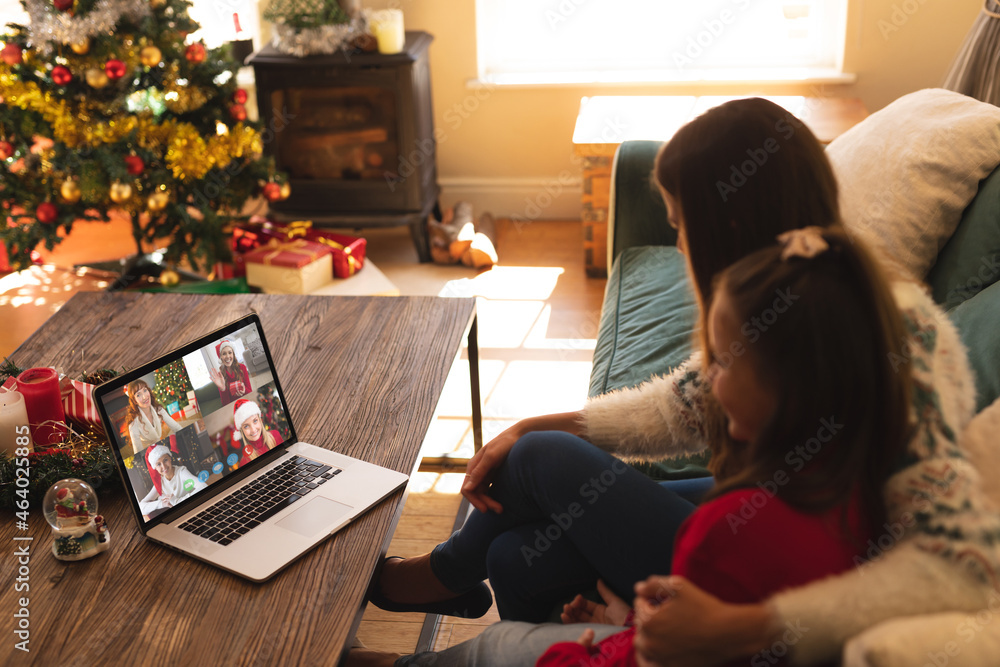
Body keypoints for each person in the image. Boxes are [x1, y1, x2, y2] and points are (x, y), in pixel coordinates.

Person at [362, 97, 1000, 666]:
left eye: (677, 222)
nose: (676, 239)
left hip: (794, 575)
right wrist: (531, 421)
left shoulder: (897, 338)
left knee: (538, 461)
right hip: (764, 512)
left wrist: (743, 626)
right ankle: (495, 592)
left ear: (727, 226)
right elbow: (682, 408)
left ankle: (444, 575)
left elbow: (947, 555)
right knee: (515, 555)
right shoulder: (791, 296)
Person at [535, 226, 908, 667]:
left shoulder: (724, 529)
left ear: (782, 384)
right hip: (629, 630)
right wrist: (632, 623)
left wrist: (567, 654)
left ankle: (449, 576)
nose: (708, 381)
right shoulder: (863, 497)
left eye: (724, 363)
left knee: (493, 637)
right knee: (513, 548)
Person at [138, 443, 206, 516]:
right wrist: (162, 503)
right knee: (151, 514)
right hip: (179, 514)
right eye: (158, 464)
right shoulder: (160, 482)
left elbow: (203, 486)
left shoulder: (181, 472)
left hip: (192, 508)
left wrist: (176, 501)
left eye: (165, 460)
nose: (164, 466)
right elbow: (141, 508)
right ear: (155, 468)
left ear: (170, 458)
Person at [125, 379, 182, 455]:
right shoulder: (133, 423)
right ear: (134, 401)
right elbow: (138, 451)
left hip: (161, 447)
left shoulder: (159, 409)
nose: (145, 397)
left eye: (145, 390)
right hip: (149, 454)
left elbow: (176, 427)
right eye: (138, 395)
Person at [232, 397, 280, 467]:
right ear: (242, 431)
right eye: (246, 426)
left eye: (255, 421)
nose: (253, 429)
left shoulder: (275, 435)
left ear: (260, 420)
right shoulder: (244, 462)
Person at [210, 339, 251, 405]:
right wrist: (223, 389)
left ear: (233, 354)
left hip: (245, 402)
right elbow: (225, 404)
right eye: (224, 354)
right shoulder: (220, 375)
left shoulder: (242, 367)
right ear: (220, 357)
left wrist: (244, 390)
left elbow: (250, 392)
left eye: (230, 352)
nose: (228, 356)